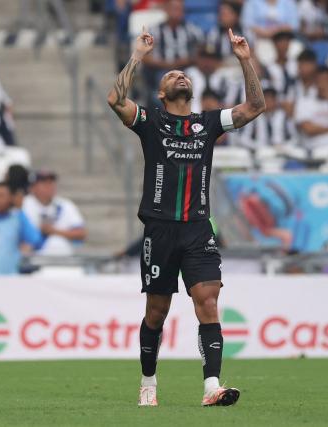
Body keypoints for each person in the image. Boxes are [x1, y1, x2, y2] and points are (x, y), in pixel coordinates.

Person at [107, 27, 265, 407]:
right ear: (162, 93)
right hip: (159, 229)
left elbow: (255, 106)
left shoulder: (208, 124)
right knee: (156, 313)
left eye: (184, 75)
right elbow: (115, 99)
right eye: (171, 76)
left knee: (208, 301)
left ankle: (212, 386)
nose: (180, 75)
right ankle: (148, 381)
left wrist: (245, 61)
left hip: (197, 228)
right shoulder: (150, 121)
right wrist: (139, 55)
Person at [141, 0, 204, 105]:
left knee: (195, 77)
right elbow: (144, 57)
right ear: (166, 10)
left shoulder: (192, 30)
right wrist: (166, 64)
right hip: (160, 70)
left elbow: (201, 52)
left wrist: (187, 60)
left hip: (186, 68)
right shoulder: (154, 30)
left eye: (179, 9)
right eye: (174, 9)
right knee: (164, 81)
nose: (176, 12)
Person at [0, 182, 41, 274]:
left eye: (1, 196)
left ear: (11, 198)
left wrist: (20, 210)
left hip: (9, 280)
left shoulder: (17, 218)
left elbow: (36, 241)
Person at [22, 170, 87, 256]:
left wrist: (53, 231)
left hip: (63, 260)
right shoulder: (23, 204)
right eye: (44, 183)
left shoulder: (65, 205)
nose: (49, 186)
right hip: (31, 260)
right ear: (32, 188)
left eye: (51, 182)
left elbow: (81, 233)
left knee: (57, 242)